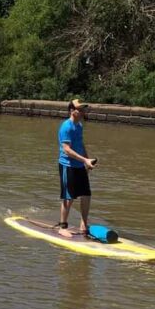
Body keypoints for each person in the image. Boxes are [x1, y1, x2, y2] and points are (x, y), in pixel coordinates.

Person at [57, 99, 98, 237]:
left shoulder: (79, 125)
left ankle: (83, 224)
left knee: (86, 194)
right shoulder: (66, 127)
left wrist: (88, 160)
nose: (81, 112)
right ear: (71, 110)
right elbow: (67, 150)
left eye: (83, 110)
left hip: (80, 164)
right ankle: (62, 226)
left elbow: (81, 144)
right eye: (79, 110)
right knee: (68, 197)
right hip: (67, 166)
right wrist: (84, 160)